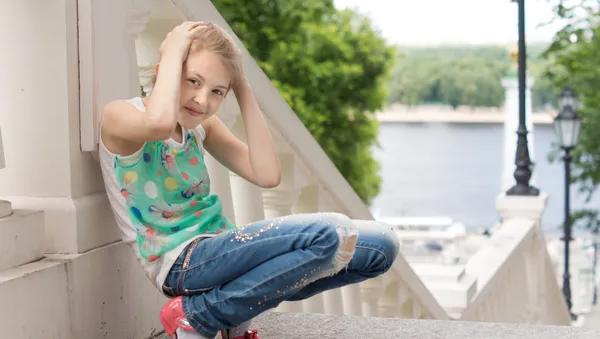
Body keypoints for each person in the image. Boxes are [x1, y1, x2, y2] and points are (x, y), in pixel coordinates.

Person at [99, 21, 399, 339]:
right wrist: (173, 49)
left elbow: (267, 174)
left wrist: (240, 84)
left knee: (381, 247)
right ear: (165, 70)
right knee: (330, 234)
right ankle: (198, 317)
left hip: (222, 251)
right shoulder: (120, 116)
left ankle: (222, 315)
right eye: (192, 81)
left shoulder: (201, 128)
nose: (202, 100)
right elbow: (158, 124)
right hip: (181, 262)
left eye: (217, 91)